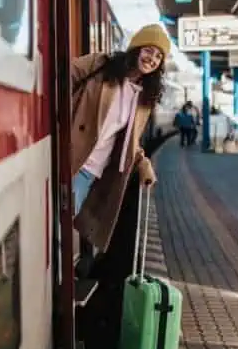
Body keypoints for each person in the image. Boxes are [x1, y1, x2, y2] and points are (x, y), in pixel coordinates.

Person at [69, 23, 168, 254]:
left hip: (93, 171)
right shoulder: (101, 65)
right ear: (136, 49)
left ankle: (60, 276)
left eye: (158, 56)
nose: (151, 58)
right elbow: (66, 74)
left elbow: (131, 141)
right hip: (72, 156)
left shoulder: (144, 98)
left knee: (63, 223)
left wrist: (143, 163)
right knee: (55, 222)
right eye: (148, 50)